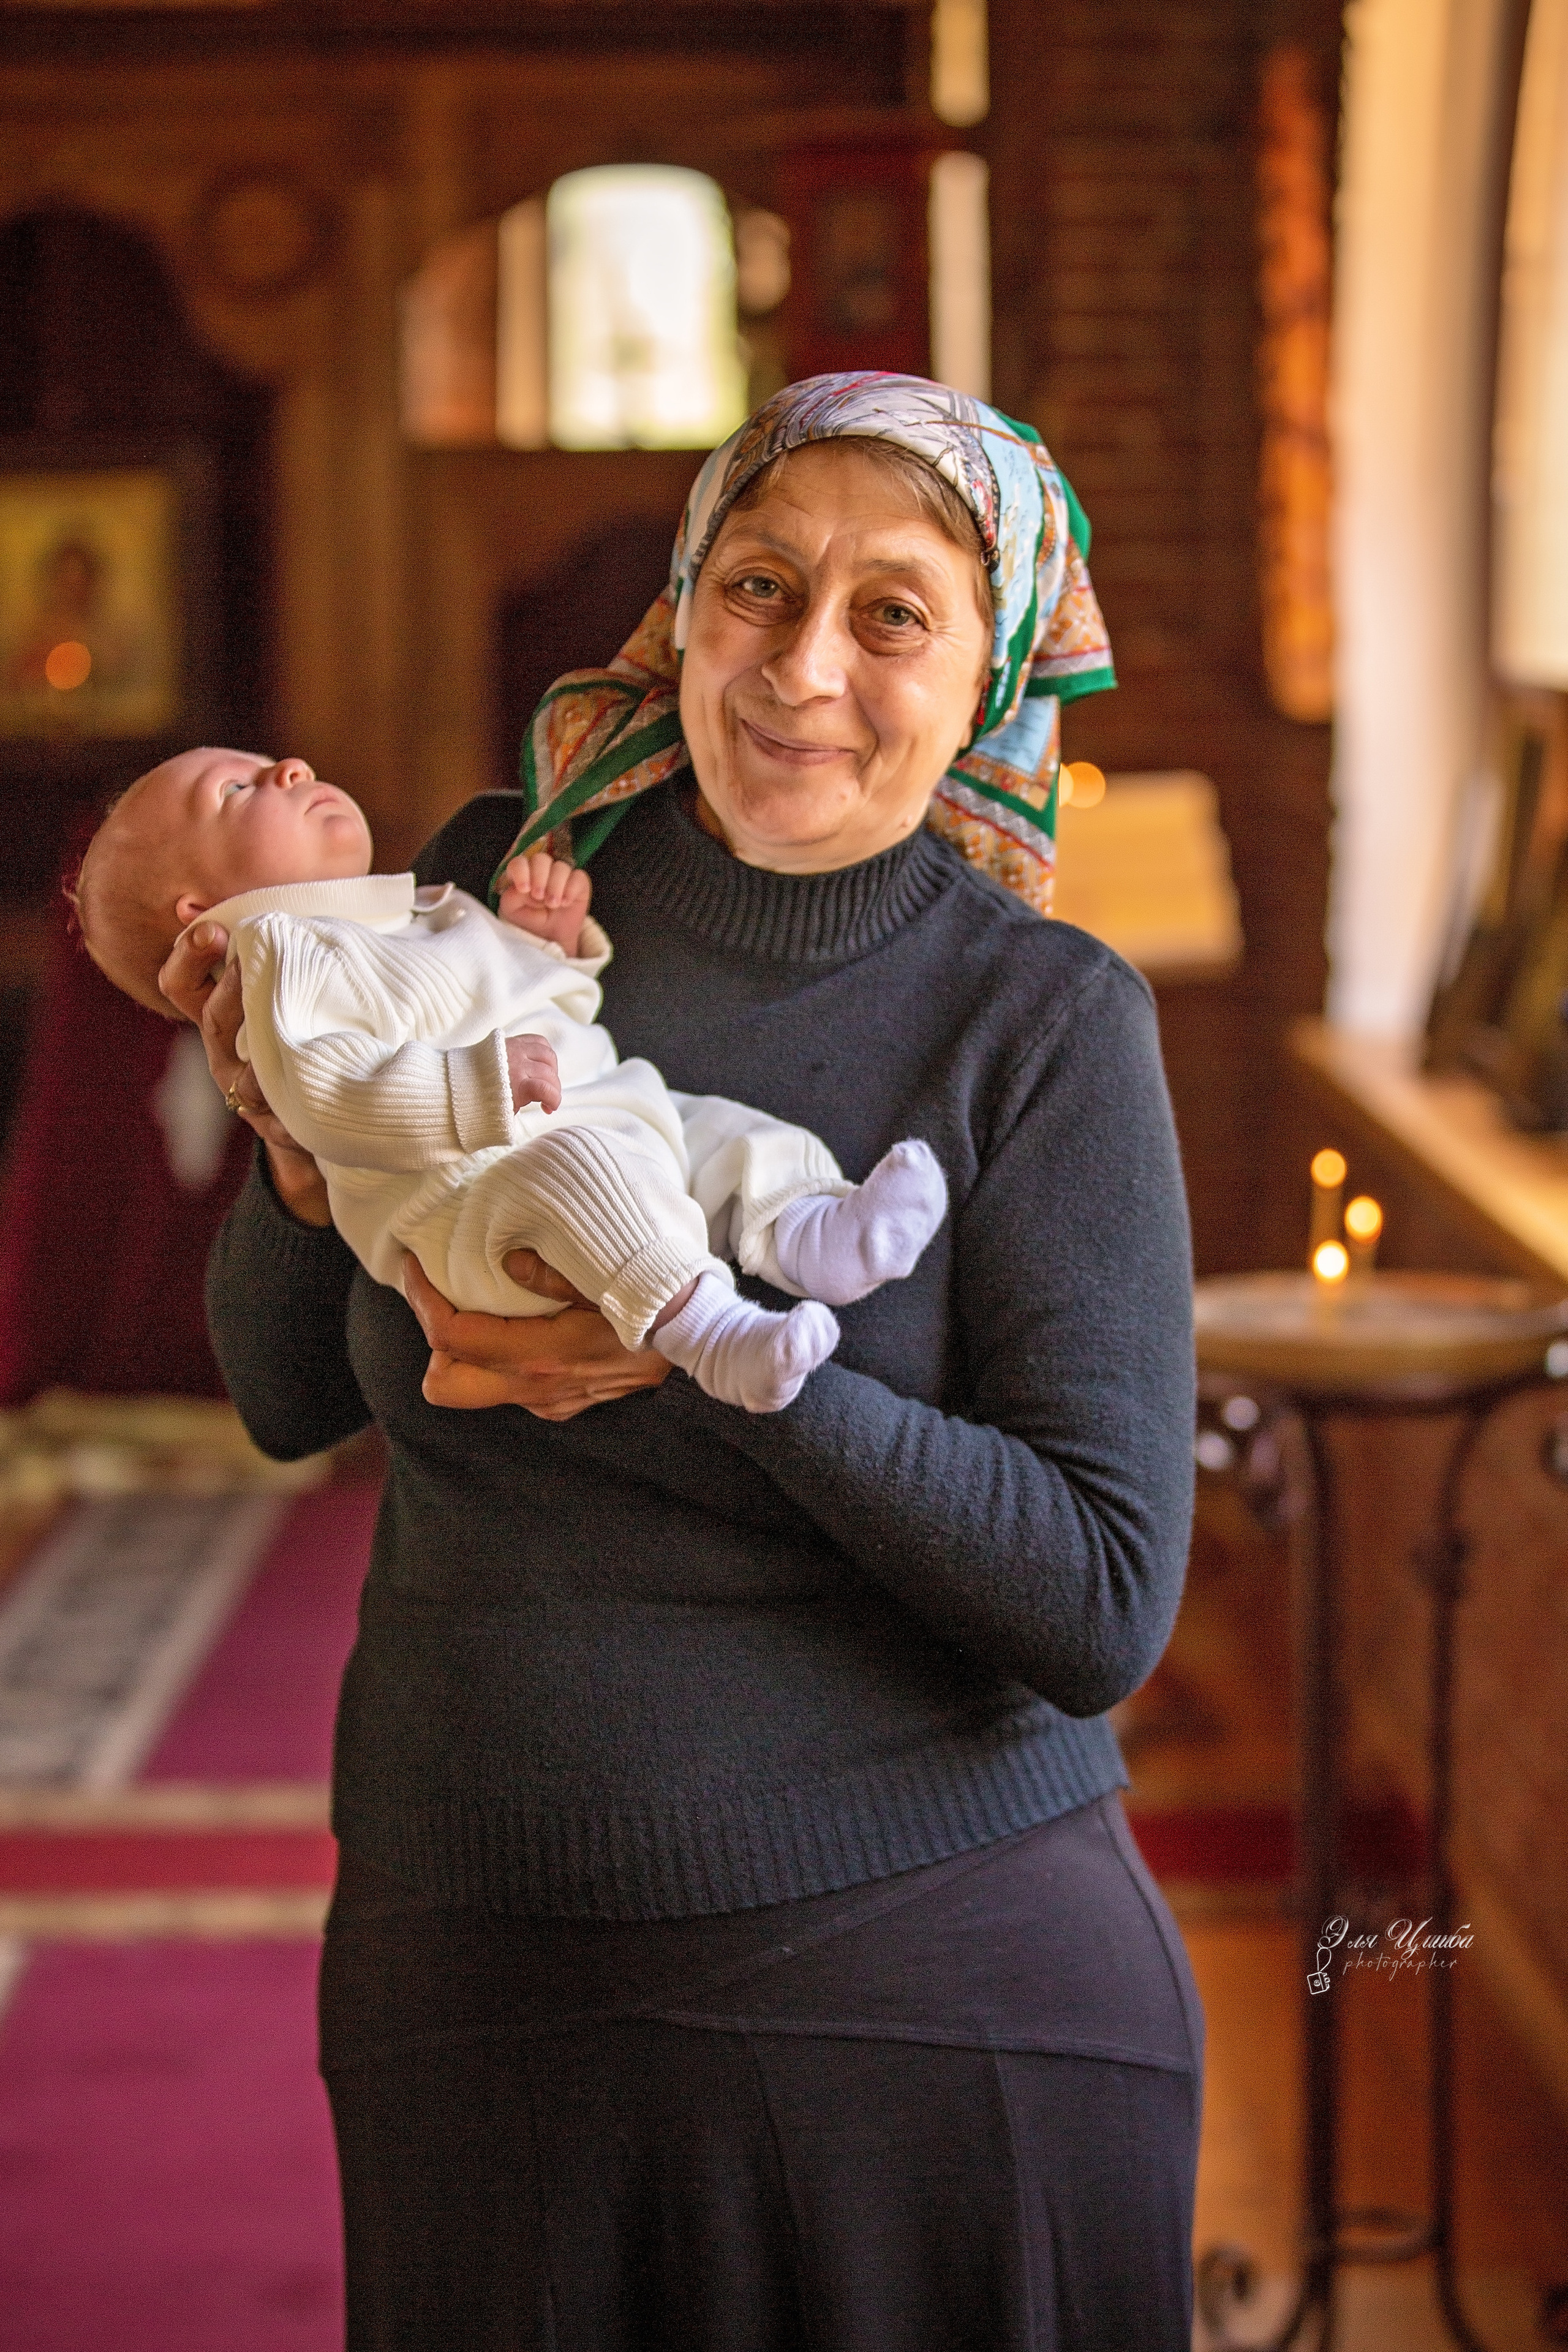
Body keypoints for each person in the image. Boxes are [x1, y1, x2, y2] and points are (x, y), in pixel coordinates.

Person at [167, 372, 1204, 2351]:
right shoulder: (499, 884)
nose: (803, 669)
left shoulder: (1046, 1021)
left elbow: (1093, 1599)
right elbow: (283, 1391)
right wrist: (299, 1163)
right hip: (475, 1967)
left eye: (892, 614)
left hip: (931, 1986)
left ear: (987, 674)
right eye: (760, 586)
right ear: (681, 600)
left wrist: (712, 1356)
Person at [70, 748, 948, 1413]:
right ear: (202, 914)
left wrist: (541, 947)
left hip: (594, 1116)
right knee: (584, 1177)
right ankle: (715, 1335)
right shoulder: (281, 951)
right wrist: (475, 1089)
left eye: (267, 762)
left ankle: (815, 1229)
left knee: (724, 1131)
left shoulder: (419, 913)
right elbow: (331, 1095)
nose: (289, 767)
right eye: (235, 790)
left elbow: (533, 1009)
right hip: (476, 1198)